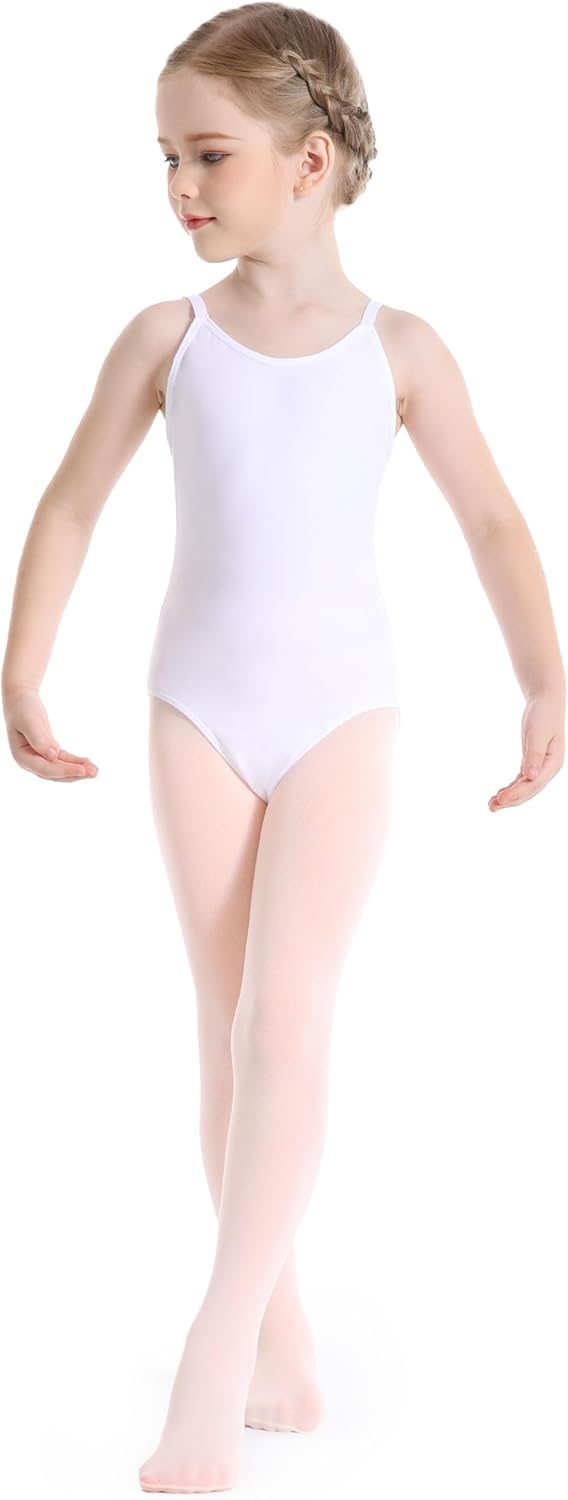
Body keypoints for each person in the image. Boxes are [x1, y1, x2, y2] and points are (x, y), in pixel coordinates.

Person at [2, 4, 565, 1494]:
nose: (179, 185)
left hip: (340, 715)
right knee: (225, 1021)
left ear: (310, 161)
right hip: (195, 709)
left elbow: (493, 519)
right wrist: (25, 666)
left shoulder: (402, 349)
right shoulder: (166, 338)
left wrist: (542, 679)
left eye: (209, 154)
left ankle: (217, 1344)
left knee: (286, 1021)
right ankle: (284, 1328)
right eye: (165, 158)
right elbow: (70, 504)